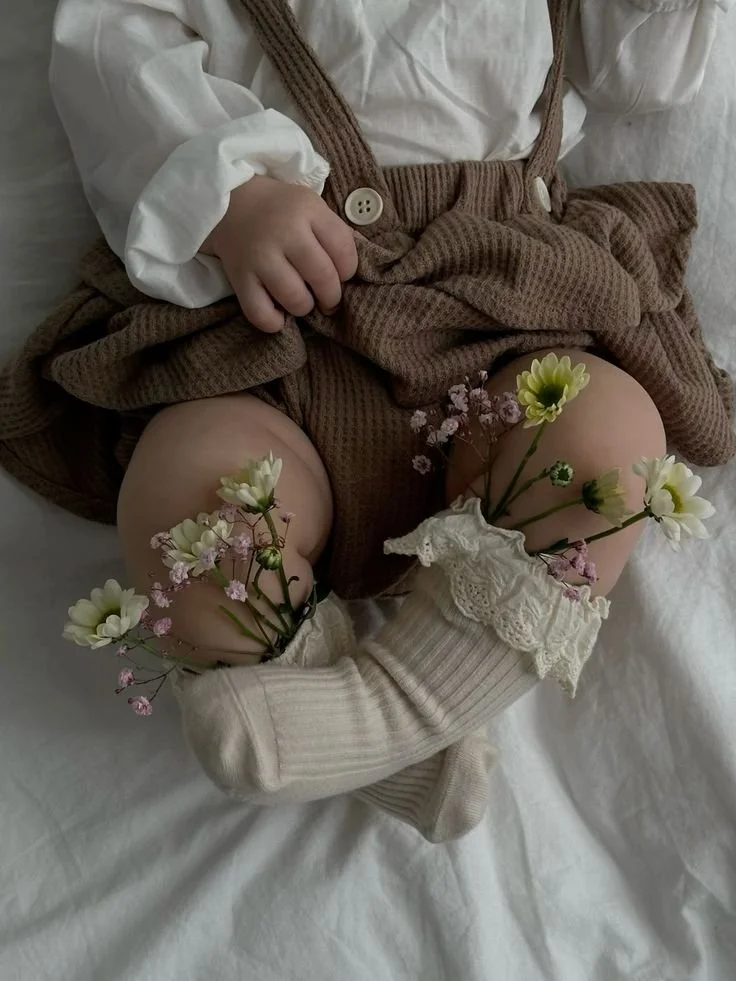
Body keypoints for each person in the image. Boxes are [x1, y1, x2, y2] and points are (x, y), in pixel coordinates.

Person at [1, 0, 733, 841]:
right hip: (280, 331)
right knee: (188, 487)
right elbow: (112, 43)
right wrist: (229, 195)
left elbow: (641, 75)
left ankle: (394, 715)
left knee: (608, 442)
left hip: (501, 313)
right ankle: (377, 733)